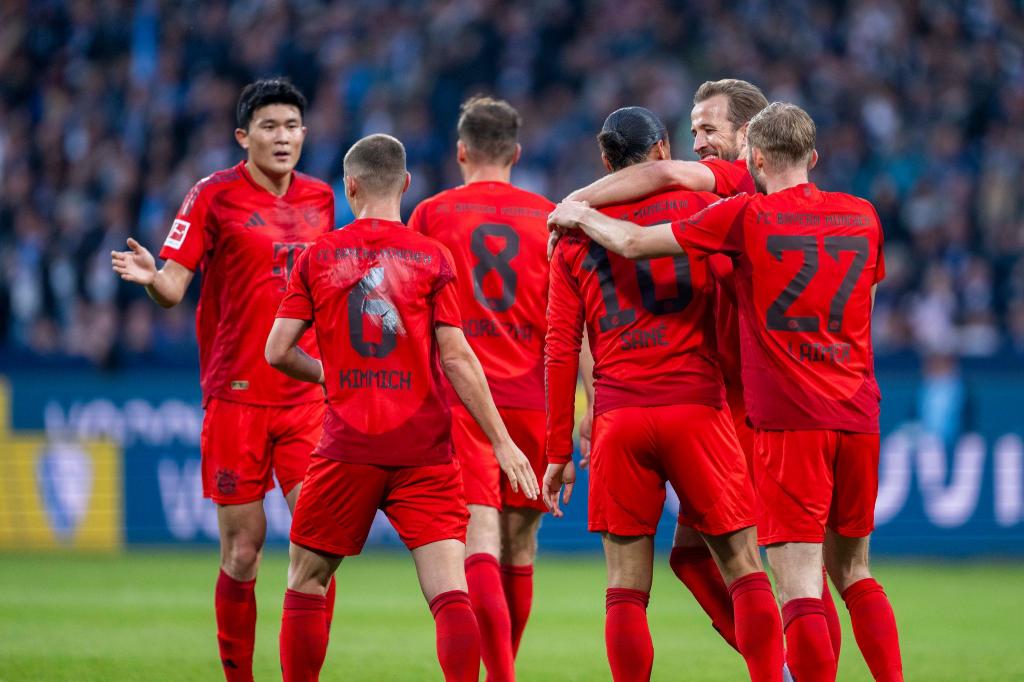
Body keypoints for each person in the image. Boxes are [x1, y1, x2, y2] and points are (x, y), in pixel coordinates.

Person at [548, 102, 903, 682]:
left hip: (771, 415)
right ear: (812, 155)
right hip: (849, 408)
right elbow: (862, 303)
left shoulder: (741, 211)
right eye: (693, 132)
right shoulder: (862, 215)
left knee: (792, 586)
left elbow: (632, 247)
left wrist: (574, 213)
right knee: (850, 571)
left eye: (710, 130)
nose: (701, 143)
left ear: (752, 153)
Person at [266, 134, 540, 682]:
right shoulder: (432, 256)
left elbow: (277, 351)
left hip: (347, 444)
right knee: (449, 593)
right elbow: (458, 358)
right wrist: (503, 442)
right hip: (424, 450)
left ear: (350, 187)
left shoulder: (320, 255)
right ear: (406, 185)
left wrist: (329, 374)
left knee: (307, 580)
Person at [544, 106, 784, 682]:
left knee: (625, 589)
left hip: (619, 417)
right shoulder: (709, 209)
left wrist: (556, 451)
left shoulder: (572, 235)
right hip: (698, 409)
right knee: (744, 568)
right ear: (664, 150)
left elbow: (558, 349)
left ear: (605, 163)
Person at [110, 78, 335, 682]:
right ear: (244, 136)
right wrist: (154, 277)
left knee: (317, 547)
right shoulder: (212, 195)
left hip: (307, 398)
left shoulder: (322, 199)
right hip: (236, 395)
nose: (282, 136)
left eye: (291, 125)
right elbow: (175, 289)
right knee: (243, 550)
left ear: (304, 134)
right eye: (269, 126)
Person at [408, 95, 553, 680]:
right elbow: (574, 323)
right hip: (534, 400)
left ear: (461, 151)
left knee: (480, 542)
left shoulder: (432, 215)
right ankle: (503, 672)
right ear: (516, 153)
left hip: (463, 400)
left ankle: (501, 678)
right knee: (521, 548)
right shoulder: (549, 217)